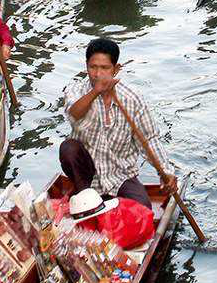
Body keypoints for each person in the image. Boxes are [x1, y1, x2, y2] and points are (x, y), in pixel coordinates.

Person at [61, 38, 177, 209]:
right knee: (68, 148)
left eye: (105, 68)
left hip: (120, 175)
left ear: (116, 69)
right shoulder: (76, 90)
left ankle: (104, 202)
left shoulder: (131, 98)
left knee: (144, 209)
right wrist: (96, 91)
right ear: (86, 66)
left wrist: (165, 172)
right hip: (86, 177)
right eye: (93, 67)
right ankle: (85, 198)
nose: (98, 74)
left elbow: (149, 139)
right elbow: (74, 114)